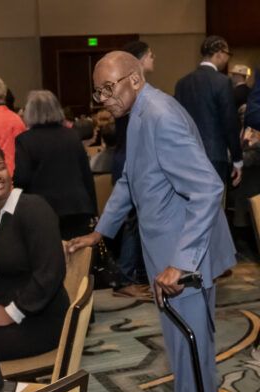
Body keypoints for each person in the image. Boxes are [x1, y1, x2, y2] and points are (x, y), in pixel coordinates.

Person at [68, 51, 235, 392]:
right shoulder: (139, 113)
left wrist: (180, 263)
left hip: (183, 261)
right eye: (98, 89)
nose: (103, 97)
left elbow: (207, 188)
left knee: (187, 350)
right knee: (194, 349)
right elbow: (130, 180)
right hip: (172, 254)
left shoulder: (158, 115)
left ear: (136, 79)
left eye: (110, 87)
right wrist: (101, 231)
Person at [0, 146, 69, 361]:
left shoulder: (33, 208)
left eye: (0, 168)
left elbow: (50, 271)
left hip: (38, 316)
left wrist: (13, 312)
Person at [13, 90, 97, 239]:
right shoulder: (72, 135)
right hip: (77, 207)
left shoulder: (24, 140)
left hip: (43, 210)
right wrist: (94, 210)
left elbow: (22, 178)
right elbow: (86, 175)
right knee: (78, 258)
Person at [109, 40, 155, 300]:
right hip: (132, 163)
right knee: (133, 223)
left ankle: (132, 274)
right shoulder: (131, 92)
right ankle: (125, 277)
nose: (153, 59)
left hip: (128, 160)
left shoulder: (131, 90)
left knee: (135, 222)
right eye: (150, 55)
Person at [174, 36, 243, 188]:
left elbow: (177, 121)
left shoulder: (182, 83)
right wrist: (237, 159)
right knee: (213, 207)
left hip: (187, 156)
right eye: (227, 54)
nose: (227, 59)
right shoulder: (222, 82)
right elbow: (229, 123)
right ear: (219, 53)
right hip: (214, 156)